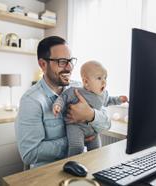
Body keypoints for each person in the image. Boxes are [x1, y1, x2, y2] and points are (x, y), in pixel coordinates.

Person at [15, 36, 112, 168]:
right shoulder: (31, 101)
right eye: (62, 61)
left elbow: (107, 124)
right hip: (48, 173)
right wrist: (75, 140)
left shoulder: (81, 89)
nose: (69, 67)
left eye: (70, 60)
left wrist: (90, 115)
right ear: (43, 64)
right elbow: (29, 153)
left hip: (82, 165)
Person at [53, 60, 128, 156]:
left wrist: (119, 100)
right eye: (99, 78)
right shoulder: (76, 91)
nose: (104, 81)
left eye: (105, 78)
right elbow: (63, 98)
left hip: (92, 129)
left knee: (97, 149)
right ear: (86, 82)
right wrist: (58, 105)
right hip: (76, 126)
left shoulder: (103, 94)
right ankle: (72, 163)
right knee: (77, 147)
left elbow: (108, 100)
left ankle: (94, 167)